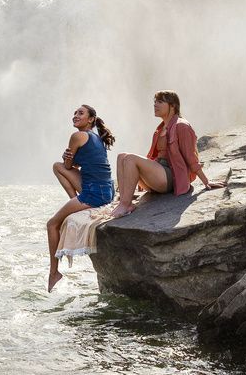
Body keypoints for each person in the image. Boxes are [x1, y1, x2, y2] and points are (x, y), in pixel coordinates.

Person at [45, 105, 115, 286]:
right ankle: (74, 201)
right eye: (75, 113)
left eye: (80, 113)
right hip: (106, 189)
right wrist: (68, 158)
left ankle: (54, 273)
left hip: (95, 193)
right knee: (56, 166)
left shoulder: (77, 136)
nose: (76, 115)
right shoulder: (95, 137)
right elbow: (69, 166)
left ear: (91, 119)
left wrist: (68, 157)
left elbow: (68, 167)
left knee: (52, 224)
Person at [111, 90, 214, 212]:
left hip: (171, 176)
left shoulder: (182, 126)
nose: (155, 105)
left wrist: (206, 181)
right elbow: (153, 157)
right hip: (158, 174)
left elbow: (191, 157)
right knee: (121, 156)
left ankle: (125, 204)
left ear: (173, 106)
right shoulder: (160, 128)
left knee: (130, 158)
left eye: (160, 102)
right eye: (155, 102)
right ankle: (124, 199)